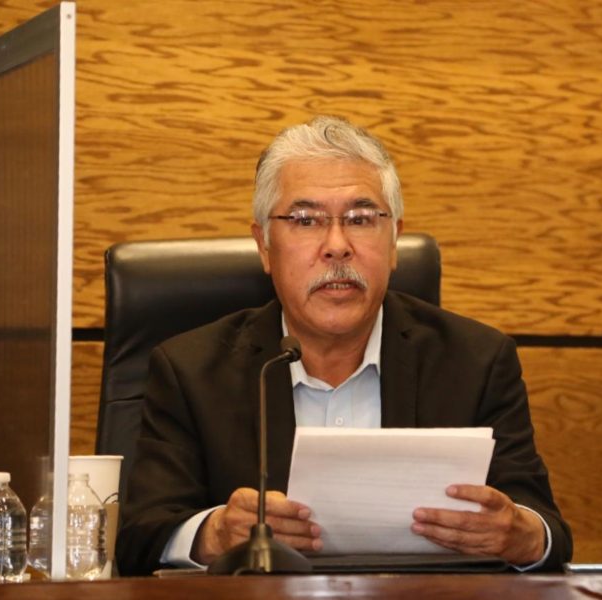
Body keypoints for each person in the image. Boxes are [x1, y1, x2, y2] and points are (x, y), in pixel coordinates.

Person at [116, 115, 572, 575]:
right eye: (305, 220)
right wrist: (213, 533)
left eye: (360, 219)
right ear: (264, 246)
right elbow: (141, 536)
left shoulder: (476, 360)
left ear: (393, 242)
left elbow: (544, 529)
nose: (337, 245)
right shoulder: (191, 370)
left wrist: (521, 535)